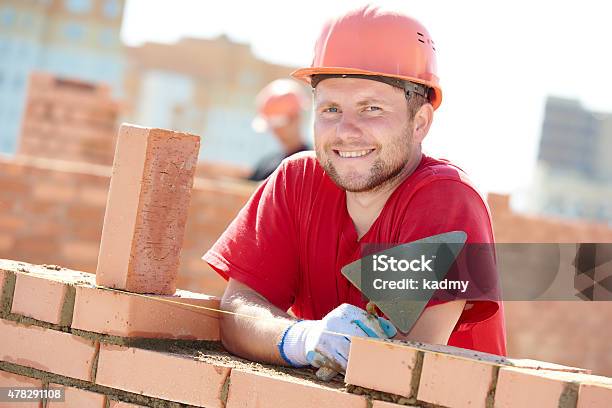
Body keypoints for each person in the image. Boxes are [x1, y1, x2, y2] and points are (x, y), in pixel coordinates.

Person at [203, 5, 506, 375]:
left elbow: (399, 364)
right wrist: (301, 339)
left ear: (420, 121)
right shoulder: (296, 181)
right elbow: (237, 309)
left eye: (371, 108)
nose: (346, 131)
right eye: (330, 109)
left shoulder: (445, 199)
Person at [248, 79, 310, 181]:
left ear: (296, 118)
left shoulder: (313, 165)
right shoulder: (266, 164)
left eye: (278, 123)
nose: (275, 130)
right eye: (272, 125)